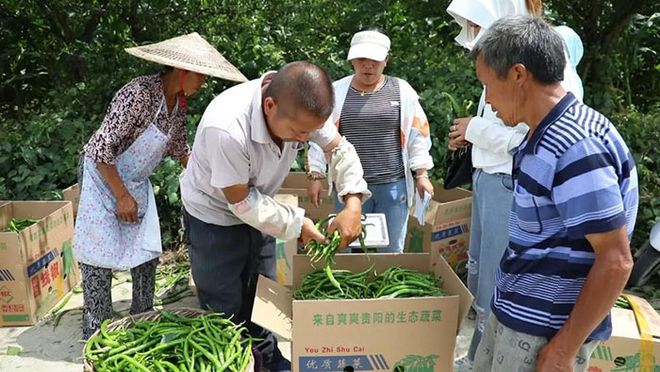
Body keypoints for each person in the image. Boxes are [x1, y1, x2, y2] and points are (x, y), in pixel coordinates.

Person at [469, 15, 638, 372]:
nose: (487, 99)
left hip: (543, 336)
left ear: (518, 75)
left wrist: (562, 350)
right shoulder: (540, 133)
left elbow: (616, 260)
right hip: (519, 320)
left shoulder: (576, 145)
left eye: (487, 84)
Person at [180, 61, 371, 371]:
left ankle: (266, 359)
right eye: (299, 133)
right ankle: (231, 362)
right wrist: (297, 224)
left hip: (261, 207)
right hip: (214, 218)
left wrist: (352, 202)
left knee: (262, 296)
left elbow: (338, 149)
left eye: (310, 132)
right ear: (269, 106)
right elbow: (240, 202)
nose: (305, 138)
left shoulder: (302, 109)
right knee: (224, 304)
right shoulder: (228, 128)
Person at [73, 33, 246, 339]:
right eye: (201, 77)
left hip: (135, 180)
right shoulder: (139, 94)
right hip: (103, 178)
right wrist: (121, 195)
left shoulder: (178, 104)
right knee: (98, 257)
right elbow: (100, 149)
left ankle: (141, 321)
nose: (202, 84)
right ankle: (96, 331)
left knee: (146, 251)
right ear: (182, 72)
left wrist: (213, 180)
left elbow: (180, 149)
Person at [445, 1, 585, 369]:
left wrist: (475, 130)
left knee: (498, 282)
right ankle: (479, 355)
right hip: (491, 181)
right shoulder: (504, 65)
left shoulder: (553, 82)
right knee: (483, 275)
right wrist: (471, 134)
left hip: (509, 184)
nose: (488, 97)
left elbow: (530, 138)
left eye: (477, 25)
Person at [306, 29, 434, 253]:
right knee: (343, 246)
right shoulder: (335, 92)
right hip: (348, 187)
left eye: (375, 60)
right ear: (352, 60)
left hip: (392, 186)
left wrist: (421, 174)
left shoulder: (402, 91)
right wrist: (316, 174)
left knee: (392, 249)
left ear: (386, 60)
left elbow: (418, 134)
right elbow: (319, 135)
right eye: (362, 59)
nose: (368, 66)